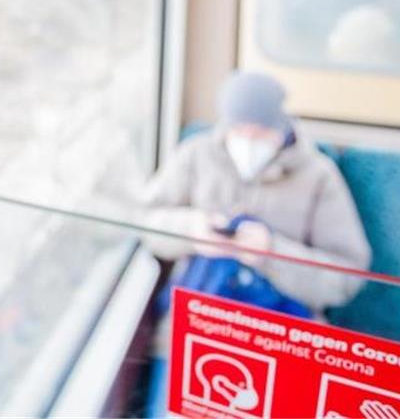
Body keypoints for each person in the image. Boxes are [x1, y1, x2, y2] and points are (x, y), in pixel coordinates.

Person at [138, 70, 370, 416]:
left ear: (281, 129)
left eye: (258, 134)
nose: (246, 143)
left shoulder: (319, 177)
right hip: (193, 328)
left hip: (282, 338)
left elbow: (347, 276)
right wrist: (192, 230)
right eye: (237, 132)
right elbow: (146, 221)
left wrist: (271, 253)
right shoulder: (195, 155)